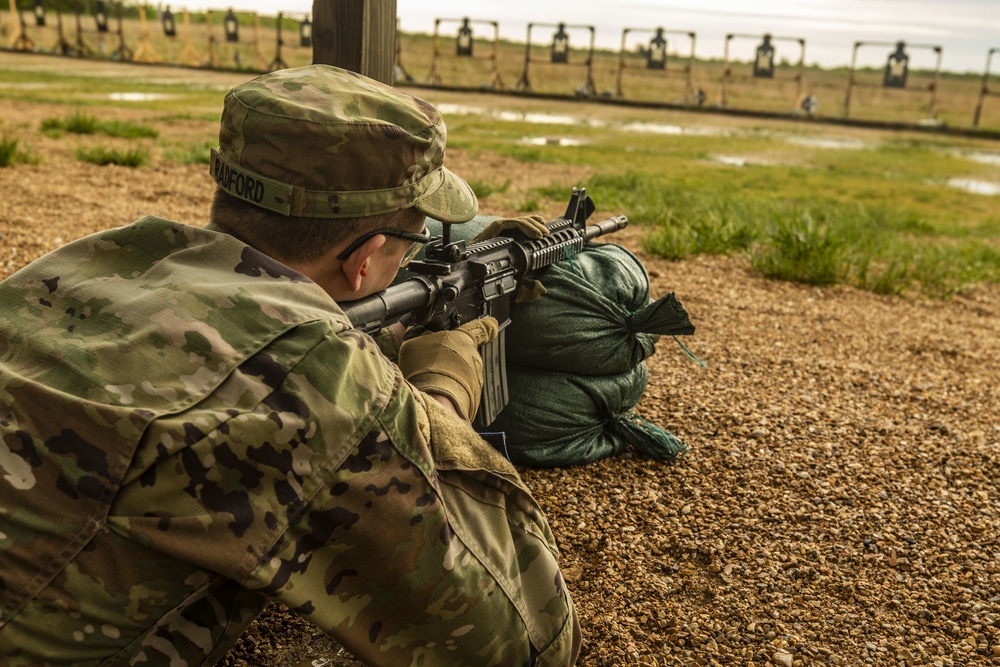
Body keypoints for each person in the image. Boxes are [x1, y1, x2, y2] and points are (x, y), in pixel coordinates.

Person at [0, 64, 580, 666]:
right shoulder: (309, 383)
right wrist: (439, 401)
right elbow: (526, 638)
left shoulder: (86, 261)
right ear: (364, 261)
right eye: (411, 245)